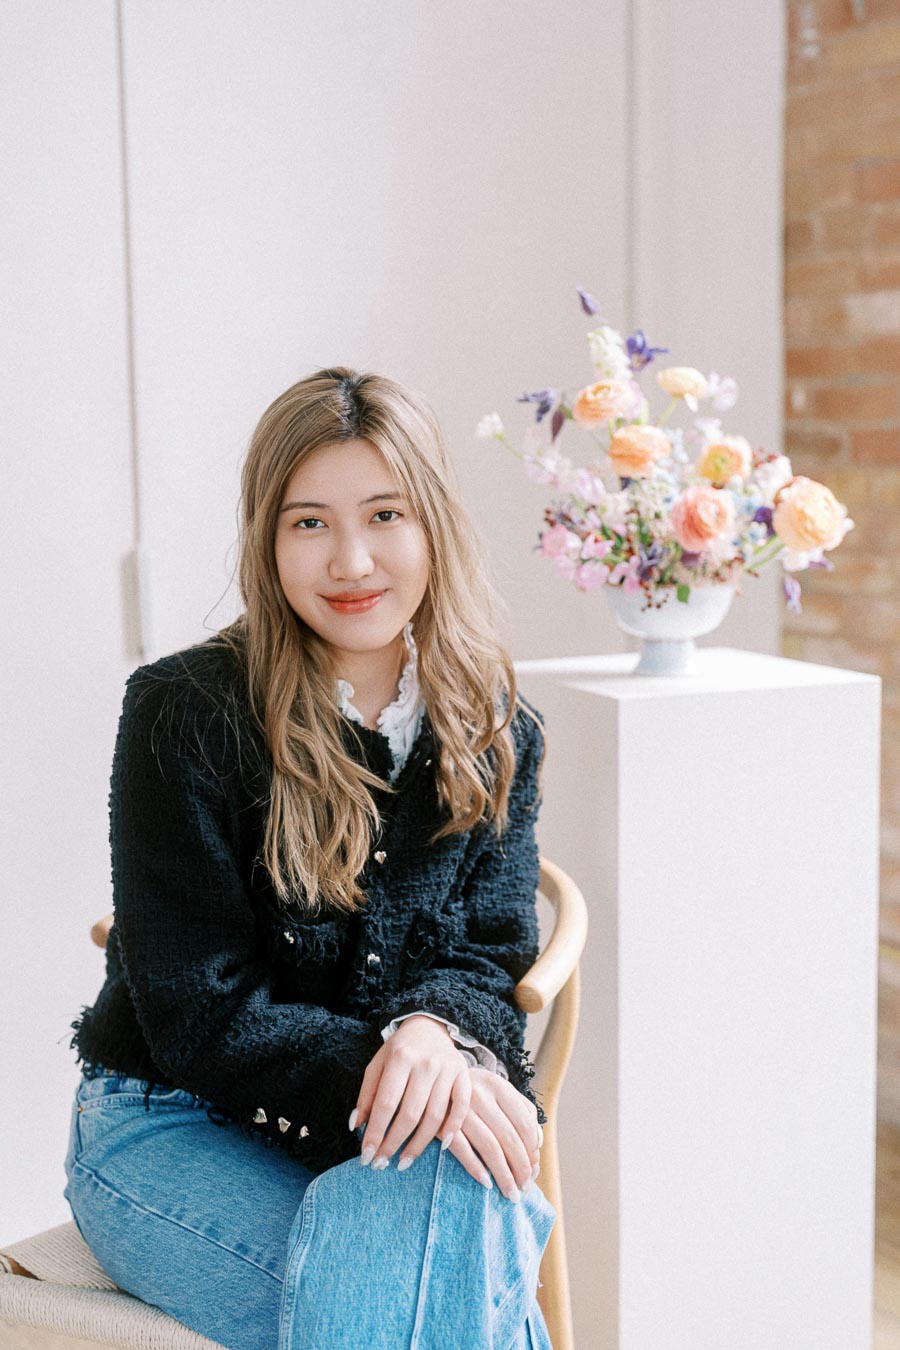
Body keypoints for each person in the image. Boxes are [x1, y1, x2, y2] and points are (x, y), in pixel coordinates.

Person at [64, 367, 556, 1350]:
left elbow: (489, 959)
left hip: (383, 1135)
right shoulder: (185, 714)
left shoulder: (495, 729)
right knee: (466, 1274)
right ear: (268, 539)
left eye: (385, 514)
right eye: (309, 523)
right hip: (168, 1128)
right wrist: (417, 1075)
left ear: (434, 528)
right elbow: (203, 1012)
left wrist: (433, 1033)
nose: (352, 559)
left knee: (420, 1274)